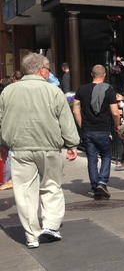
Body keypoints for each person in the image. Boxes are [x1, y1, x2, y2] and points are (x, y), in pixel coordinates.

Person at [0, 52, 79, 248]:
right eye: (48, 70)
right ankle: (50, 225)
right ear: (42, 70)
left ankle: (31, 235)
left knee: (25, 191)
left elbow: (2, 121)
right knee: (51, 185)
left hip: (20, 148)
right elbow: (65, 121)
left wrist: (2, 145)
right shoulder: (53, 91)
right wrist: (72, 144)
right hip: (48, 146)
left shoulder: (8, 91)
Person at [72, 65, 120, 199]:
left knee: (92, 159)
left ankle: (95, 187)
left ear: (92, 74)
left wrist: (83, 126)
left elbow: (76, 111)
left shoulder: (81, 90)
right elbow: (115, 112)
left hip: (88, 129)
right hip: (103, 129)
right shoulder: (109, 90)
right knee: (106, 155)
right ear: (104, 74)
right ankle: (102, 181)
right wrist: (117, 125)